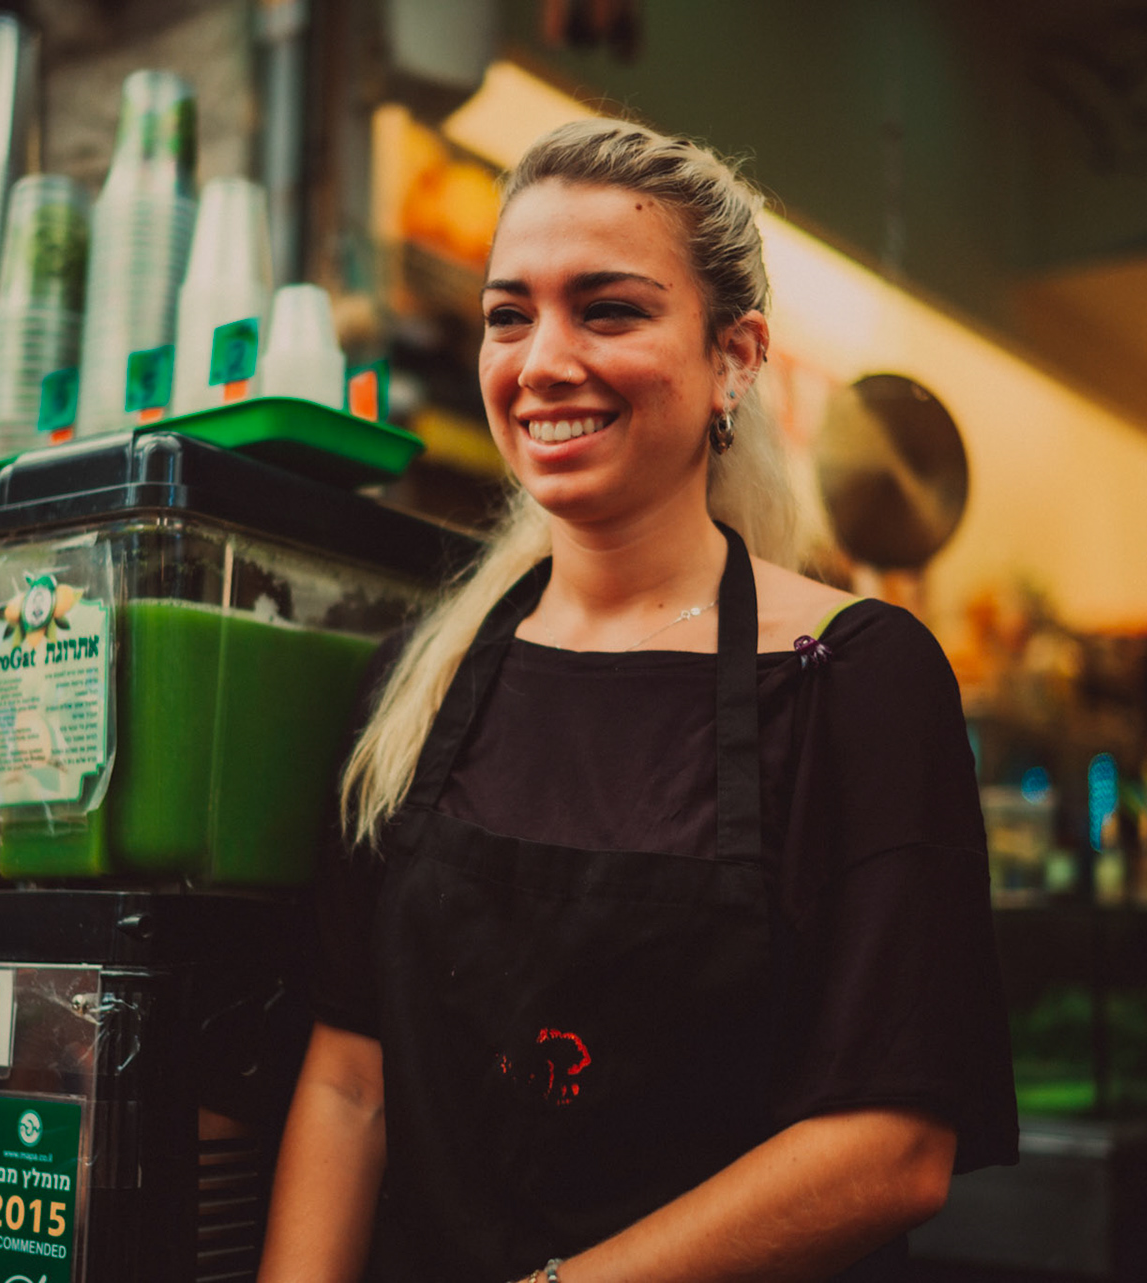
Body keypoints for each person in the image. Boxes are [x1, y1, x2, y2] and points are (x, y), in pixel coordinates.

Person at [260, 120, 1017, 1283]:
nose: (542, 360)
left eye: (607, 309)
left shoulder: (854, 675)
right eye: (510, 315)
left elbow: (894, 1145)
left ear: (735, 355)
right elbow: (351, 1074)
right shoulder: (418, 678)